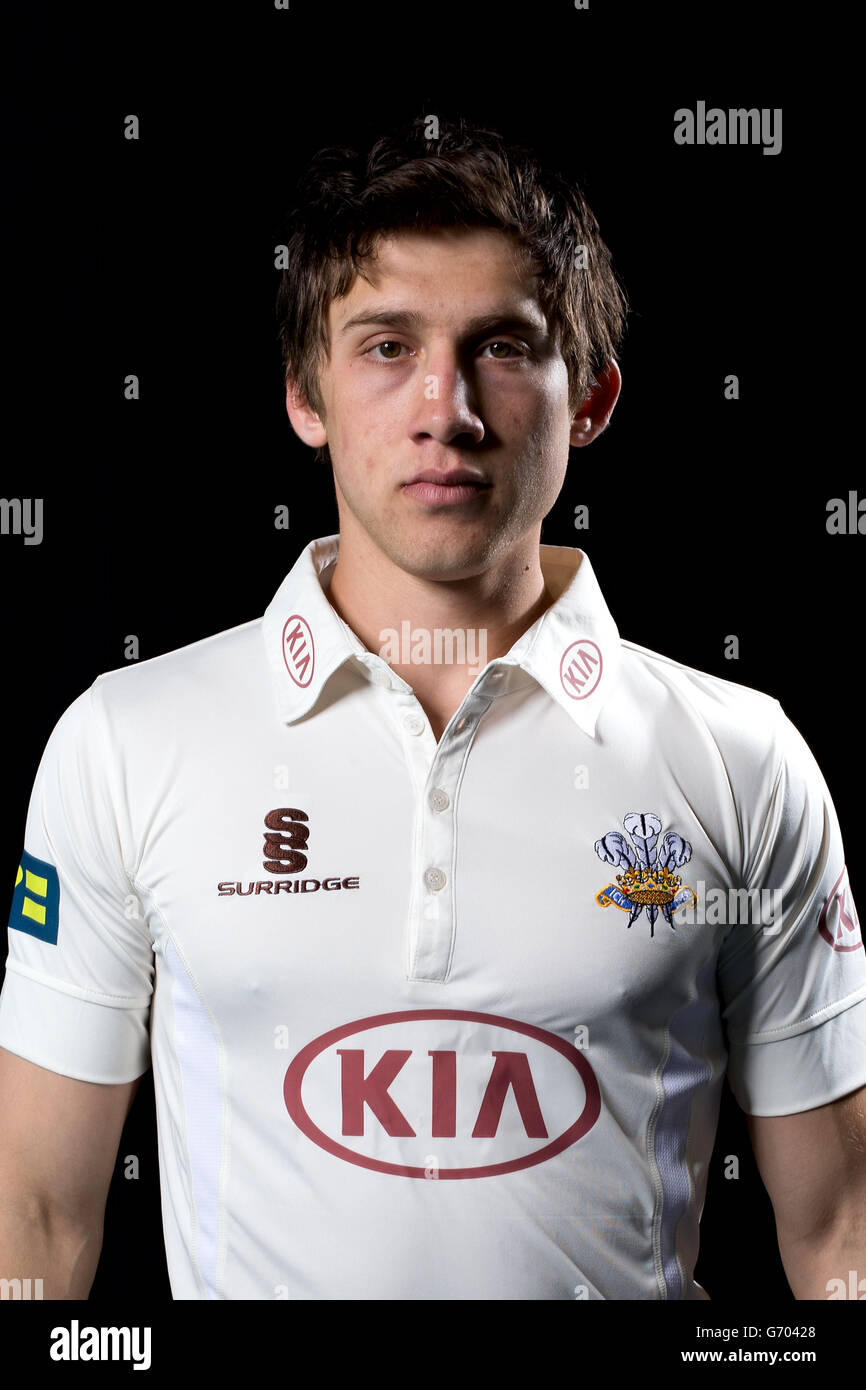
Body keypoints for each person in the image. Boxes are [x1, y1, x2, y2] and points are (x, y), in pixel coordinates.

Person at [1, 115, 864, 1301]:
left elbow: (836, 1241)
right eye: (385, 345)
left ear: (594, 397)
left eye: (501, 347)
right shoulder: (125, 740)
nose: (443, 407)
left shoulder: (741, 758)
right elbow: (37, 1230)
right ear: (304, 395)